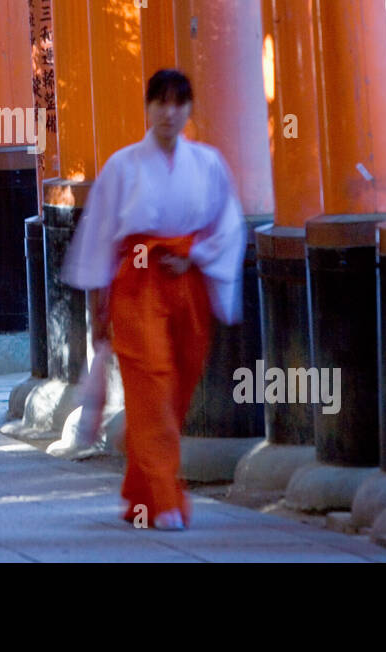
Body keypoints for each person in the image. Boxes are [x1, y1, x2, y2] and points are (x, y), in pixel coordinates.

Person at [62, 68, 246, 530]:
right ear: (147, 107)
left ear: (189, 109)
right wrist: (98, 307)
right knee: (151, 388)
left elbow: (228, 224)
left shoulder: (207, 164)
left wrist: (197, 254)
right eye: (160, 102)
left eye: (178, 102)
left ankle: (141, 491)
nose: (168, 112)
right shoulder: (123, 166)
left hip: (186, 283)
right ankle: (165, 499)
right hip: (137, 285)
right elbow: (100, 235)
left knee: (177, 388)